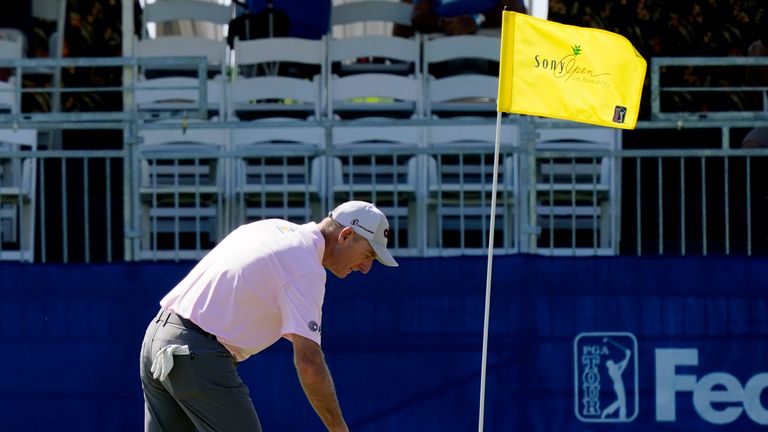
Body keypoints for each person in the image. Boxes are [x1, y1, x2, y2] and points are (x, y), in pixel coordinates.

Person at [139, 201, 398, 432]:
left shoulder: (272, 227)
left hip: (157, 338)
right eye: (367, 255)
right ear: (346, 235)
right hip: (196, 354)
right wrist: (338, 428)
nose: (366, 268)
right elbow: (309, 362)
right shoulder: (306, 269)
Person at [410, 0, 526, 36]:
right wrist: (444, 24)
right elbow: (418, 16)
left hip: (493, 50)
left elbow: (516, 11)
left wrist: (476, 20)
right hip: (441, 44)